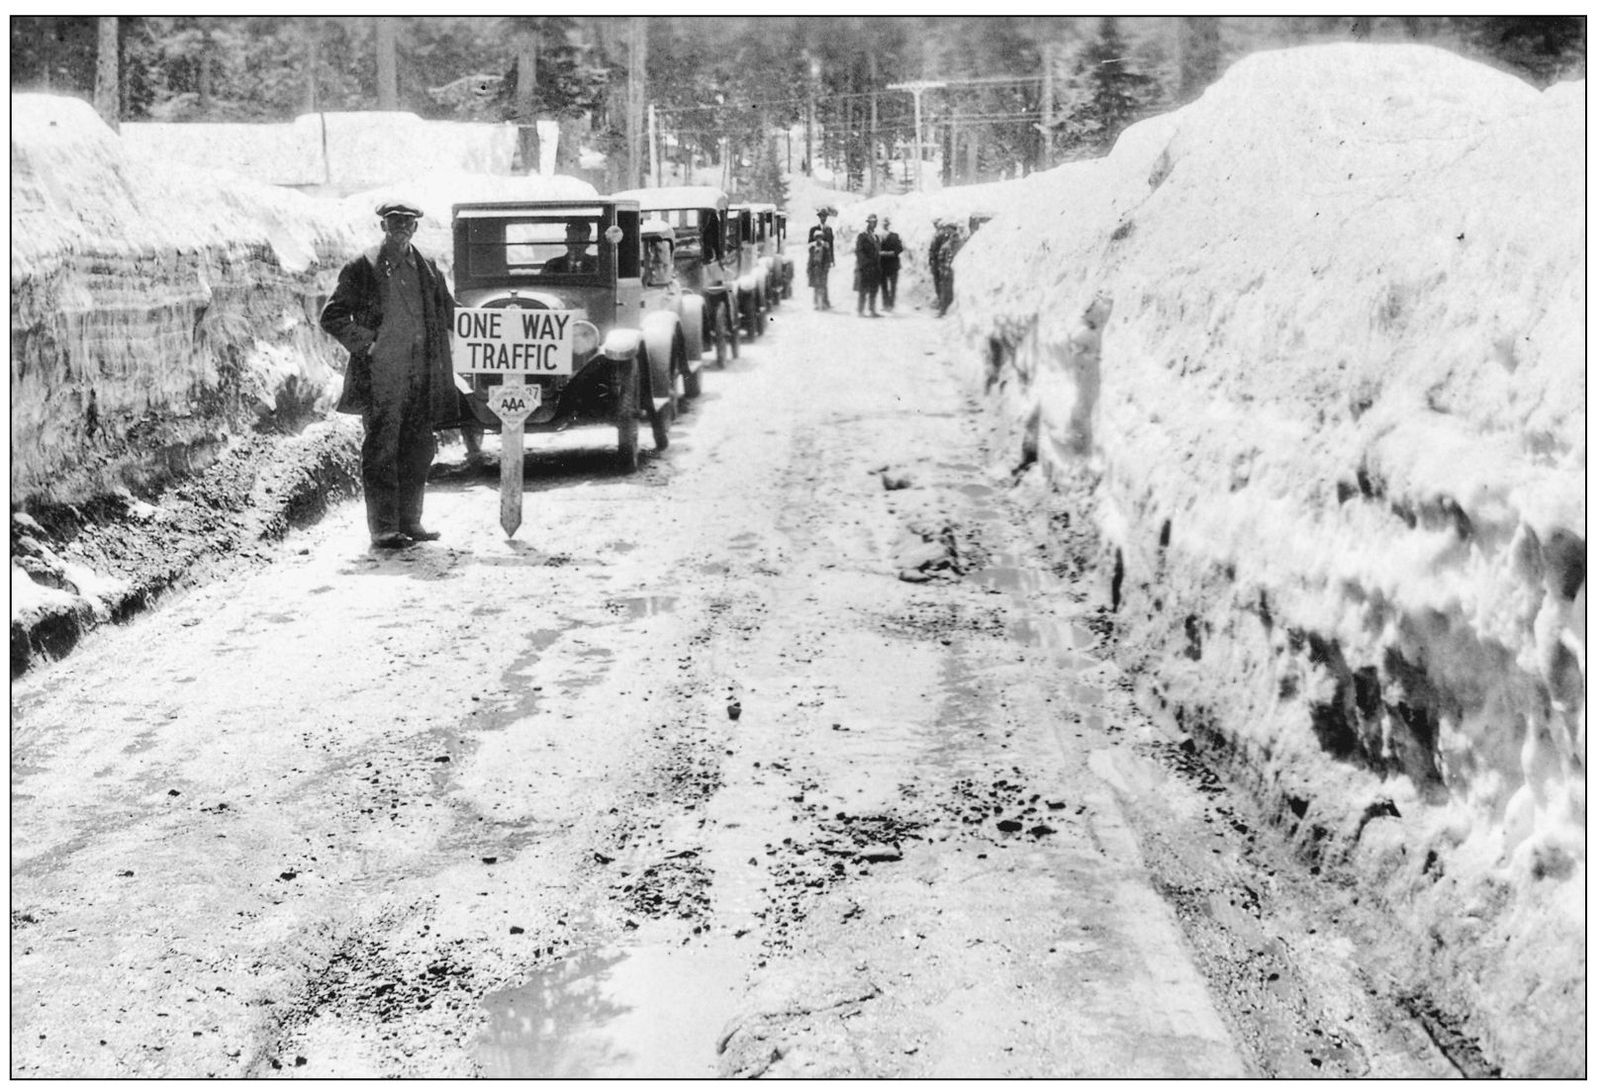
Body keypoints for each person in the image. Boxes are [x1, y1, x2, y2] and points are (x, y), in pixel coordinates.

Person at [320, 200, 461, 548]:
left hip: (421, 375)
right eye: (395, 221)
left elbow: (451, 313)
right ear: (383, 225)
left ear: (416, 227)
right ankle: (384, 528)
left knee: (419, 447)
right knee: (382, 449)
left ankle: (410, 521)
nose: (402, 228)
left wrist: (499, 325)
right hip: (382, 378)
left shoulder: (427, 267)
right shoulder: (363, 266)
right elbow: (332, 315)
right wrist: (368, 344)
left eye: (408, 222)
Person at [930, 218, 959, 318]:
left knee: (945, 290)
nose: (946, 230)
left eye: (948, 228)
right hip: (942, 267)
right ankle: (943, 308)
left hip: (946, 269)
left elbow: (950, 255)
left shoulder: (952, 240)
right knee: (942, 288)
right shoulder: (945, 238)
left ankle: (943, 310)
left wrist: (944, 268)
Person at [854, 214, 881, 317]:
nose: (874, 224)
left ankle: (872, 310)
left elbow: (878, 252)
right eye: (872, 222)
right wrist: (865, 263)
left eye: (875, 222)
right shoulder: (862, 236)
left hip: (875, 267)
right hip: (865, 267)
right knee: (863, 290)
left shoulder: (876, 237)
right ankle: (860, 311)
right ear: (868, 223)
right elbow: (859, 251)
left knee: (874, 289)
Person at [807, 208, 834, 309]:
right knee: (816, 280)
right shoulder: (813, 229)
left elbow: (831, 246)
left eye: (825, 216)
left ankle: (825, 301)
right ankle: (816, 302)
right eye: (822, 216)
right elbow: (809, 243)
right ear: (819, 217)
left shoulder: (829, 229)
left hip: (825, 258)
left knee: (824, 280)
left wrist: (832, 260)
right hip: (816, 257)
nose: (823, 218)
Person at [877, 216, 904, 312]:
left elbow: (900, 248)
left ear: (889, 225)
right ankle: (885, 304)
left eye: (887, 223)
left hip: (893, 264)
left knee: (893, 286)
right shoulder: (878, 236)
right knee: (883, 285)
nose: (885, 225)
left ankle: (891, 305)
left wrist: (890, 253)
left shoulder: (895, 236)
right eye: (884, 223)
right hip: (882, 264)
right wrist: (879, 254)